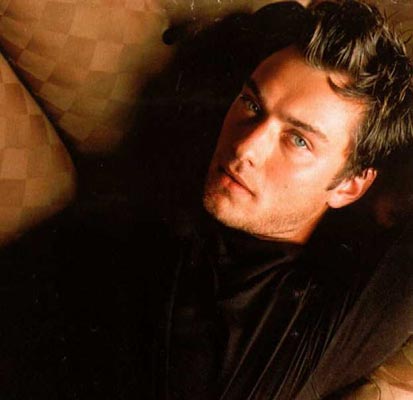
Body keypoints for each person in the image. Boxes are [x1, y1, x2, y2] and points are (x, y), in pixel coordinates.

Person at [140, 1, 413, 399]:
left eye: (298, 140)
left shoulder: (314, 328)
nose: (245, 147)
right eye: (252, 104)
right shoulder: (154, 206)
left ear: (350, 186)